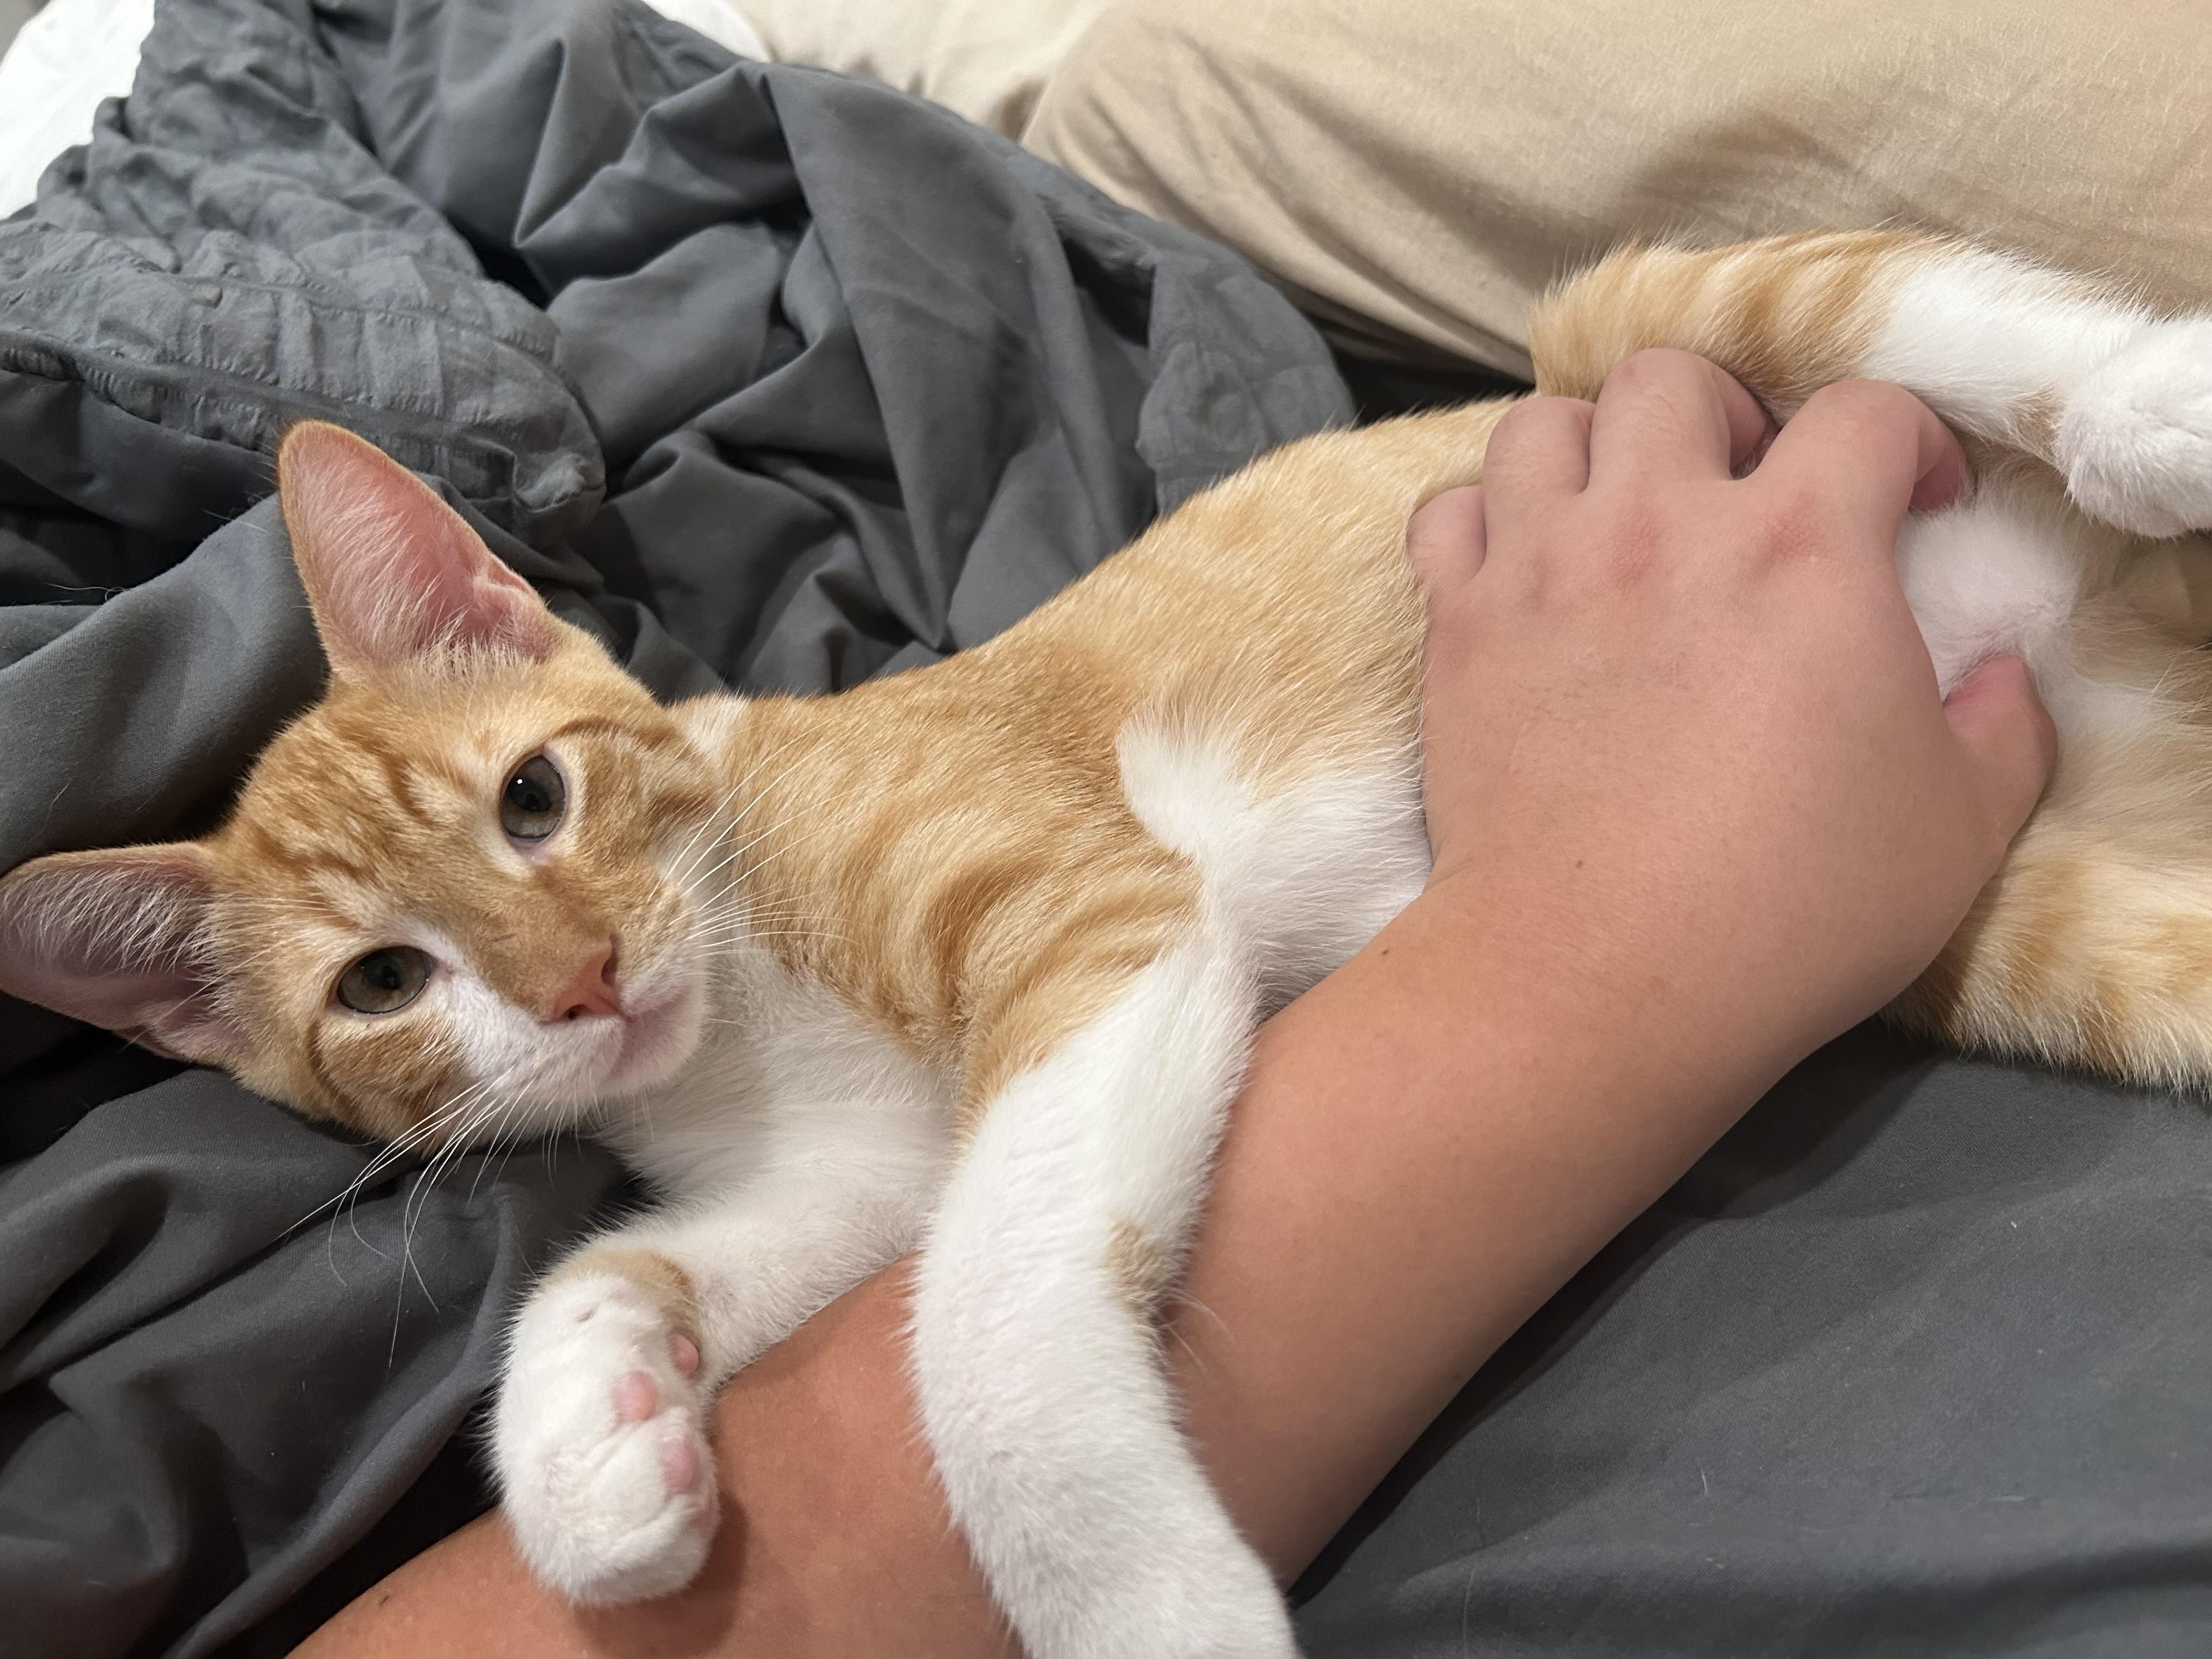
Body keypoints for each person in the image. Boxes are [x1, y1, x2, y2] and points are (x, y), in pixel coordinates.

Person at [297, 349, 2054, 1657]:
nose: (568, 970)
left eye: (531, 808)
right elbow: (868, 1182)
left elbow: (1108, 950)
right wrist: (617, 1314)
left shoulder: (782, 806)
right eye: (384, 979)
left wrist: (1040, 1445)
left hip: (1542, 611)